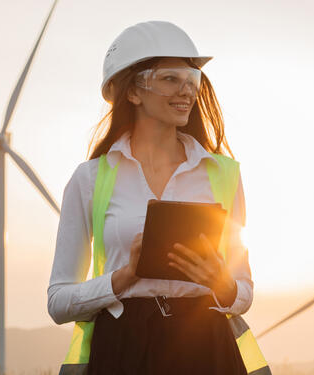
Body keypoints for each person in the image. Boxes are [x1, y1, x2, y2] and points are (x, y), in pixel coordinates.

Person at [48, 20, 268, 375]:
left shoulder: (224, 174)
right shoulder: (88, 180)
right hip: (123, 351)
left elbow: (243, 292)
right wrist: (124, 277)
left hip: (206, 349)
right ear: (133, 92)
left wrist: (221, 283)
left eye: (191, 81)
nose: (186, 92)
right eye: (170, 79)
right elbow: (58, 302)